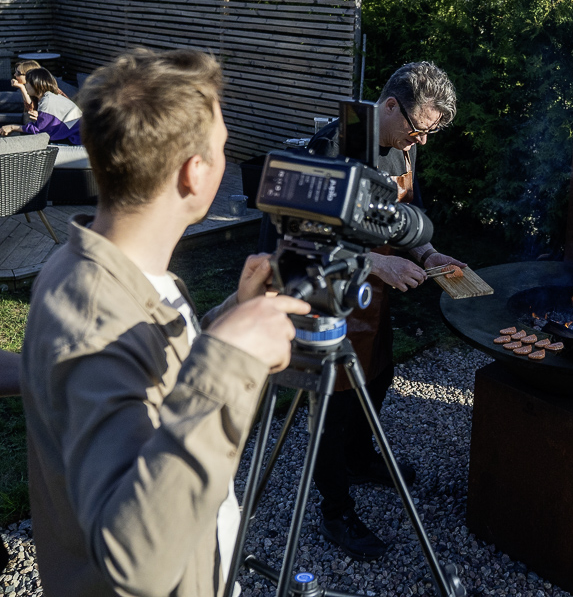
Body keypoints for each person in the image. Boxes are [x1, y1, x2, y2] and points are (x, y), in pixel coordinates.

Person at [19, 48, 311, 597]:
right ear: (194, 174)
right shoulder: (92, 315)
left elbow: (150, 370)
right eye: (222, 148)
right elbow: (136, 561)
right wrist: (229, 359)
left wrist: (228, 315)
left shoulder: (108, 265)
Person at [285, 61, 464, 562]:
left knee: (379, 377)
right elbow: (301, 243)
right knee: (333, 405)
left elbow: (407, 221)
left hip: (373, 295)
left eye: (428, 132)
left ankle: (361, 460)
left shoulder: (402, 148)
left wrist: (428, 255)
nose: (420, 141)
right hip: (326, 296)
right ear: (389, 105)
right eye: (417, 128)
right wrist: (372, 261)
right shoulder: (333, 147)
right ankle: (334, 508)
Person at [0, 67, 82, 144]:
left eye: (27, 83)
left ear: (36, 83)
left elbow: (38, 131)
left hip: (75, 140)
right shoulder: (51, 97)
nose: (25, 85)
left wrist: (12, 127)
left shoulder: (47, 102)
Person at [10, 60, 69, 125]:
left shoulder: (49, 93)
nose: (15, 75)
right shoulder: (34, 89)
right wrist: (22, 88)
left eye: (18, 73)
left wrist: (22, 88)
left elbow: (30, 110)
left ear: (29, 75)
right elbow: (29, 111)